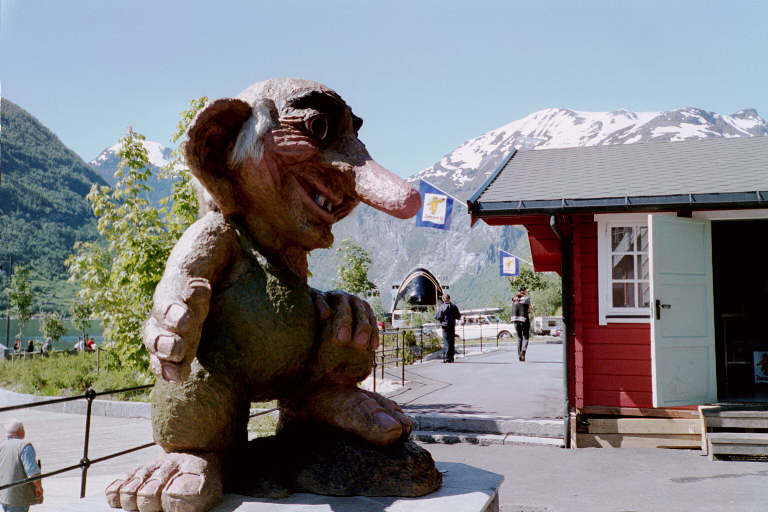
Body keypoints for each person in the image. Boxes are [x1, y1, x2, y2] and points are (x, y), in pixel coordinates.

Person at [0, 420, 43, 511]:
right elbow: (32, 472)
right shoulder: (25, 446)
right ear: (19, 430)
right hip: (18, 496)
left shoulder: (2, 446)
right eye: (23, 429)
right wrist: (39, 487)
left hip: (3, 495)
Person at [435, 294, 461, 363]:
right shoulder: (454, 306)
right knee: (452, 341)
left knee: (446, 341)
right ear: (449, 298)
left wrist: (442, 320)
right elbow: (458, 316)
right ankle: (451, 358)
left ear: (443, 299)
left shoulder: (441, 307)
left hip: (445, 326)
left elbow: (438, 317)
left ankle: (447, 358)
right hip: (452, 325)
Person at [511, 286, 531, 361]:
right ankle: (523, 352)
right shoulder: (526, 298)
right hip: (524, 319)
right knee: (526, 336)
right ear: (523, 291)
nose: (526, 292)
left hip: (515, 320)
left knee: (519, 338)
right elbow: (529, 310)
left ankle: (519, 355)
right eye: (526, 290)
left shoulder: (513, 298)